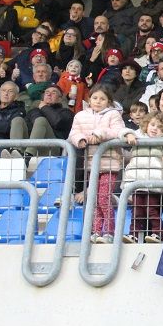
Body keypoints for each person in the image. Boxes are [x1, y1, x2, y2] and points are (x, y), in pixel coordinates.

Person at [67, 84, 126, 244]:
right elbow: (73, 133)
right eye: (95, 98)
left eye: (102, 99)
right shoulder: (80, 116)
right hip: (91, 164)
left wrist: (100, 134)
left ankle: (109, 232)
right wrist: (80, 139)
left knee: (103, 198)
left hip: (109, 164)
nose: (98, 101)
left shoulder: (113, 114)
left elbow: (118, 131)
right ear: (89, 99)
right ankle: (95, 231)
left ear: (109, 101)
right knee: (93, 199)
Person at [120, 112, 163, 243]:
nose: (155, 128)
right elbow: (122, 131)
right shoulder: (138, 135)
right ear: (146, 124)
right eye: (152, 124)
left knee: (152, 210)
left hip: (154, 182)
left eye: (160, 127)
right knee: (137, 210)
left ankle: (159, 233)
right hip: (136, 181)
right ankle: (133, 234)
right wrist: (128, 135)